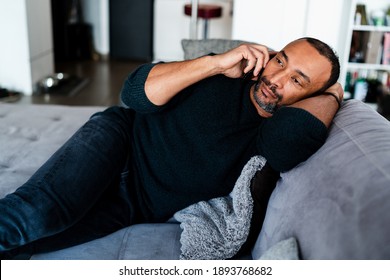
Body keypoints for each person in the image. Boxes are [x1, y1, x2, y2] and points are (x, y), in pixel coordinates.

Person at [0, 37, 343, 259]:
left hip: (134, 204)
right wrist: (215, 63)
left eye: (298, 80)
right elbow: (132, 93)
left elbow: (290, 146)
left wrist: (334, 93)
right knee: (37, 214)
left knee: (29, 247)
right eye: (280, 61)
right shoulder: (225, 71)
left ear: (309, 96)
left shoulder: (274, 130)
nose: (277, 79)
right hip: (117, 142)